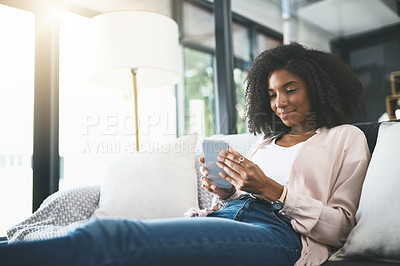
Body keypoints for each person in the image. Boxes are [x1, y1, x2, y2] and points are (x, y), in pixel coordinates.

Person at [0, 43, 370, 266]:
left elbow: (341, 228)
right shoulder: (265, 144)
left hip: (278, 233)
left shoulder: (343, 139)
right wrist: (224, 190)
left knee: (116, 238)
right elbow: (240, 196)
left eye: (290, 89)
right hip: (227, 215)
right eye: (272, 94)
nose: (280, 103)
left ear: (319, 89)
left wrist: (274, 191)